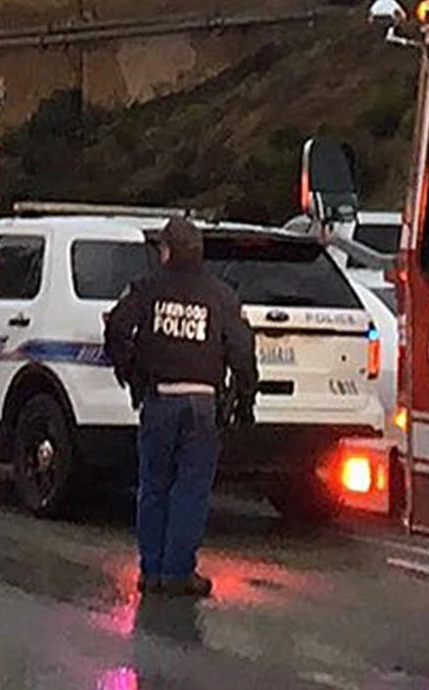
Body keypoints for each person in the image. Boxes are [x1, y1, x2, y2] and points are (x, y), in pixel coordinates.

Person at [101, 217, 257, 600]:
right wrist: (245, 397)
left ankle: (151, 570)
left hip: (159, 399)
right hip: (203, 402)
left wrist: (131, 371)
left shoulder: (147, 290)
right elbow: (241, 348)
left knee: (154, 487)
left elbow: (117, 329)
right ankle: (178, 571)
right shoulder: (220, 294)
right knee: (191, 489)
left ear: (167, 250)